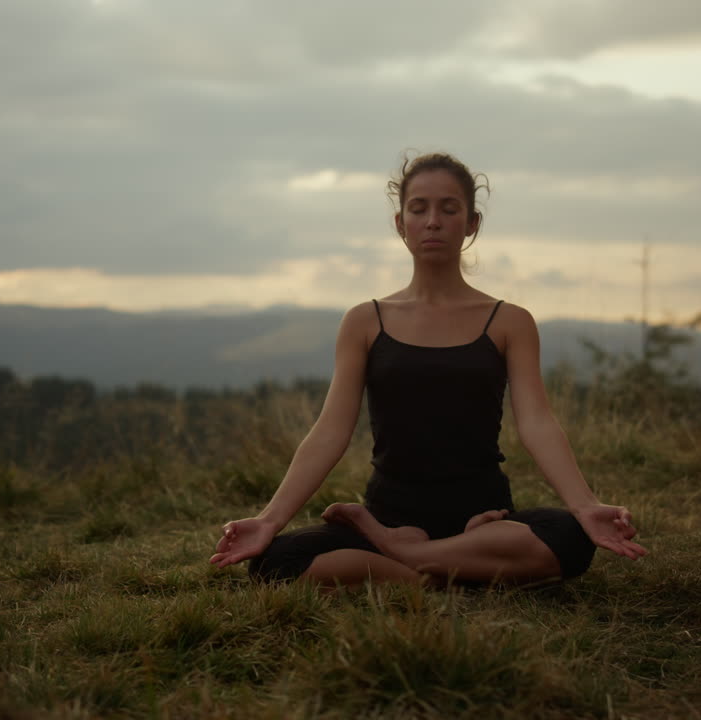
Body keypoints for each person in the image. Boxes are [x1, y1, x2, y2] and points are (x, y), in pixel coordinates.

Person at [209, 152, 647, 588]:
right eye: (418, 209)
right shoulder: (365, 321)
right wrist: (269, 520)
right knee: (275, 562)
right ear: (401, 224)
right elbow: (330, 431)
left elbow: (536, 423)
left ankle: (406, 562)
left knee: (570, 537)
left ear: (471, 222)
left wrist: (586, 506)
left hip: (483, 515)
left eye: (448, 208)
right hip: (393, 514)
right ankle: (452, 569)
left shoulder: (510, 321)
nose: (433, 221)